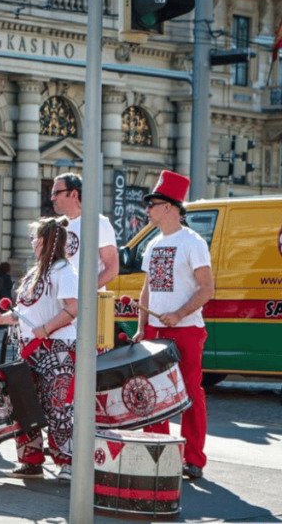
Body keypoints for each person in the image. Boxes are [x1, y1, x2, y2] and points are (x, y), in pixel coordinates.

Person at [133, 170, 213, 480]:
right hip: (155, 330)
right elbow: (148, 288)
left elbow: (207, 289)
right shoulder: (153, 244)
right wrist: (143, 325)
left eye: (151, 204)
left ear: (168, 206)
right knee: (154, 395)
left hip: (186, 329)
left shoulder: (193, 242)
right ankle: (161, 454)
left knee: (191, 393)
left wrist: (178, 314)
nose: (147, 210)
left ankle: (193, 459)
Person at [0, 216, 77, 481]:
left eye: (35, 239)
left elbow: (72, 308)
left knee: (56, 405)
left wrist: (47, 329)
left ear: (46, 241)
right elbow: (24, 312)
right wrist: (2, 318)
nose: (32, 244)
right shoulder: (35, 273)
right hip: (29, 347)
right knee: (25, 403)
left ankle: (67, 461)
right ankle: (31, 460)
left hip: (56, 347)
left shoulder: (64, 271)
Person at [50, 172, 119, 290]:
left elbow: (112, 269)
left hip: (85, 306)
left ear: (74, 194)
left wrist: (83, 294)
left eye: (56, 193)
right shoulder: (56, 226)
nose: (52, 198)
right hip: (58, 303)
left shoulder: (98, 223)